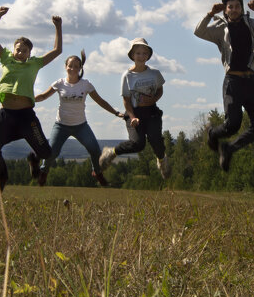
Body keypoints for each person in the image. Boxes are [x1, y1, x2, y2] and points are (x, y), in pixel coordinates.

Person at [194, 0, 254, 171]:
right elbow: (198, 31)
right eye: (231, 7)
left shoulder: (250, 24)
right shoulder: (219, 28)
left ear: (241, 7)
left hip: (251, 81)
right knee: (232, 124)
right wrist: (210, 14)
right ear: (226, 10)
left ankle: (229, 148)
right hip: (233, 82)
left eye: (237, 6)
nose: (235, 9)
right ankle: (213, 134)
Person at [0, 6, 63, 190]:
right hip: (5, 116)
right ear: (13, 50)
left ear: (29, 54)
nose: (20, 53)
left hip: (26, 117)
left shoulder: (34, 64)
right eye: (18, 49)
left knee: (46, 152)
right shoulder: (6, 59)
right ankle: (2, 179)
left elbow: (57, 50)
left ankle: (33, 159)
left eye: (24, 50)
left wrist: (58, 27)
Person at [34, 51, 123, 186]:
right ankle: (43, 172)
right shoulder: (59, 83)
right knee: (52, 152)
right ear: (65, 67)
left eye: (76, 66)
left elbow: (100, 101)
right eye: (70, 66)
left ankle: (97, 173)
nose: (73, 69)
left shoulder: (85, 84)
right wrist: (27, 99)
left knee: (94, 150)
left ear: (80, 68)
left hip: (80, 125)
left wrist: (116, 113)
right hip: (61, 125)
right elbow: (42, 96)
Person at [99, 38, 170, 178]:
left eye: (144, 53)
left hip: (152, 112)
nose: (141, 56)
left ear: (148, 56)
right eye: (138, 53)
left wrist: (153, 99)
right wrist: (132, 117)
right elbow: (126, 100)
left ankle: (162, 161)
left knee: (156, 139)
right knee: (138, 144)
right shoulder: (127, 76)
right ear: (132, 55)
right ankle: (111, 152)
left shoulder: (155, 73)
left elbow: (160, 90)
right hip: (134, 112)